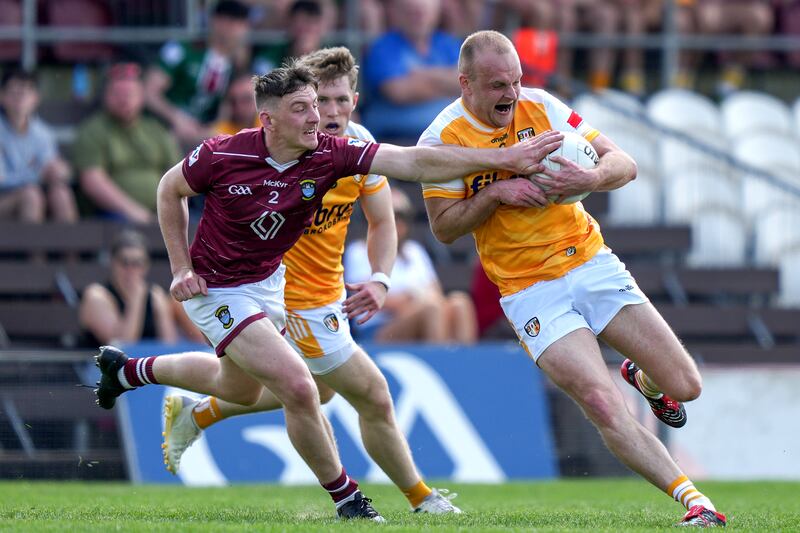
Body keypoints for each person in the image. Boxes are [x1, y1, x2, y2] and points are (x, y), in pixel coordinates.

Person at [92, 60, 550, 520]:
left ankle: (130, 372)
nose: (317, 116)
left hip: (270, 285)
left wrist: (500, 158)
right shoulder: (223, 154)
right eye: (304, 108)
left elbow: (412, 162)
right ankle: (353, 500)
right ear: (267, 118)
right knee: (305, 389)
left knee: (241, 390)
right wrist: (179, 268)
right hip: (219, 289)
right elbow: (169, 189)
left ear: (353, 100)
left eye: (322, 104)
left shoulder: (332, 153)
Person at [418, 30, 727, 527]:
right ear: (466, 83)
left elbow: (623, 163)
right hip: (528, 290)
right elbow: (444, 227)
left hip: (590, 262)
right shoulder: (441, 140)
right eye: (499, 85)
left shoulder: (542, 106)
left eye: (516, 81)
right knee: (601, 402)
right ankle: (696, 503)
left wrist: (589, 179)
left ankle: (643, 378)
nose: (512, 95)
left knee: (685, 385)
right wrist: (496, 194)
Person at [159, 47, 461, 514]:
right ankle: (413, 501)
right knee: (358, 393)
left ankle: (190, 407)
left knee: (305, 390)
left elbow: (383, 221)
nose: (332, 113)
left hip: (325, 295)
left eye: (341, 101)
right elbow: (187, 190)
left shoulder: (354, 149)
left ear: (354, 101)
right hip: (286, 296)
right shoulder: (293, 152)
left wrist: (380, 278)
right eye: (322, 102)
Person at [345, 187, 478, 343]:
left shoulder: (415, 251)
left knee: (459, 302)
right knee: (431, 308)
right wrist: (413, 300)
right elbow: (363, 298)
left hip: (420, 314)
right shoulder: (359, 251)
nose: (398, 222)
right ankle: (438, 363)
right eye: (393, 215)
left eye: (403, 216)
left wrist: (415, 301)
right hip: (377, 327)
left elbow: (436, 292)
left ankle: (466, 364)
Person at [73, 63, 181, 224]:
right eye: (118, 93)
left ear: (141, 96)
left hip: (162, 211)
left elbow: (177, 173)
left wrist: (167, 207)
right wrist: (134, 211)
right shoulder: (92, 131)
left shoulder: (157, 130)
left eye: (130, 93)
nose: (124, 99)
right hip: (112, 216)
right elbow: (92, 181)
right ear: (106, 96)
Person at [144, 0, 255, 145]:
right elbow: (149, 91)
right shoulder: (182, 49)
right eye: (232, 23)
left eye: (242, 25)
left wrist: (213, 127)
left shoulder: (235, 63)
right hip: (163, 128)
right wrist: (175, 118)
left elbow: (227, 104)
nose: (237, 31)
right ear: (216, 22)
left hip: (202, 134)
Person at [79, 229, 204, 347]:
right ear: (113, 263)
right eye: (124, 262)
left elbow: (168, 346)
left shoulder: (155, 295)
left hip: (143, 367)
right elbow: (123, 345)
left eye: (137, 263)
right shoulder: (96, 296)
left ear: (146, 267)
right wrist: (137, 298)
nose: (130, 270)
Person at [362, 0, 462, 140]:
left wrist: (422, 75)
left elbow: (466, 83)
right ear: (397, 13)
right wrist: (447, 82)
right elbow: (399, 93)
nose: (418, 17)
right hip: (396, 139)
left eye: (422, 12)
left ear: (436, 12)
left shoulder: (448, 44)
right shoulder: (383, 47)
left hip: (447, 137)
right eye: (412, 12)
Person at [0, 68, 77, 223]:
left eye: (26, 92)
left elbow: (50, 168)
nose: (20, 98)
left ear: (36, 98)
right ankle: (33, 248)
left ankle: (71, 247)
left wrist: (60, 172)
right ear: (2, 96)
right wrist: (38, 175)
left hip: (33, 196)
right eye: (15, 92)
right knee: (31, 195)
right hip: (5, 200)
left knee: (61, 193)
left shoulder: (43, 133)